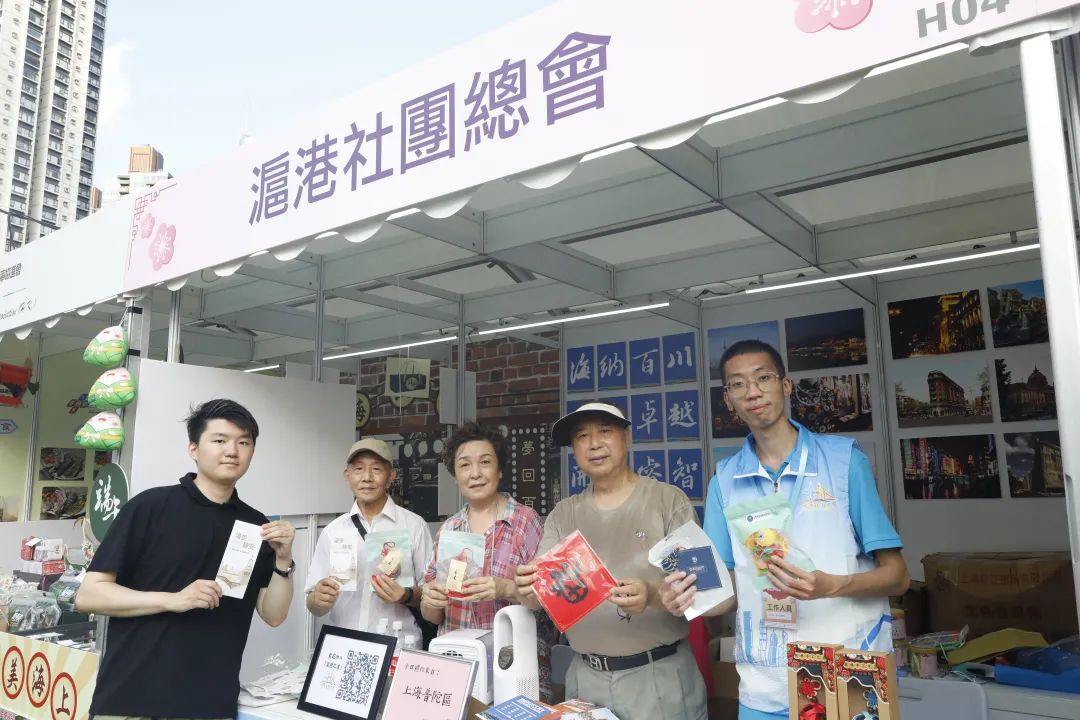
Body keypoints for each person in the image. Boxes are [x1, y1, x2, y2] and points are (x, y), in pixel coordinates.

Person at [660, 340, 910, 720]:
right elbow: (724, 592)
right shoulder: (724, 481)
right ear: (728, 399)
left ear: (786, 385)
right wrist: (685, 598)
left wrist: (832, 585)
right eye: (738, 384)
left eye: (763, 378)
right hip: (765, 686)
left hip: (847, 678)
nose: (753, 392)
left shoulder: (844, 462)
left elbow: (898, 576)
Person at [77, 399, 296, 719]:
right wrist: (173, 599)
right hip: (132, 700)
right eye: (219, 440)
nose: (232, 451)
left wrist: (284, 560)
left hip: (209, 705)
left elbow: (273, 615)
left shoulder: (254, 526)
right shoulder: (150, 507)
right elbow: (89, 595)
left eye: (243, 442)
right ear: (193, 448)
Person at [515, 402, 708, 720]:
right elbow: (538, 597)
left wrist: (652, 594)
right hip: (586, 680)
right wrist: (525, 588)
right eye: (582, 436)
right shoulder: (564, 514)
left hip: (658, 678)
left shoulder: (666, 500)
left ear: (626, 438)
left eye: (604, 431)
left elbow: (705, 591)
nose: (594, 444)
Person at [421, 421, 543, 633]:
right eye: (465, 465)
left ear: (500, 470)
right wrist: (430, 602)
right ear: (455, 477)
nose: (475, 473)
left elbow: (548, 599)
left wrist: (507, 589)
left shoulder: (524, 521)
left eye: (485, 462)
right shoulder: (449, 530)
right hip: (457, 651)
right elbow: (432, 616)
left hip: (509, 650)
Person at [306, 438, 432, 640]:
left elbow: (431, 596)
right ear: (347, 475)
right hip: (345, 644)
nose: (367, 477)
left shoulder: (414, 527)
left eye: (376, 469)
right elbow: (314, 606)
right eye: (358, 469)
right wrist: (318, 598)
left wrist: (406, 595)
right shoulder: (333, 532)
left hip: (397, 645)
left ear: (391, 475)